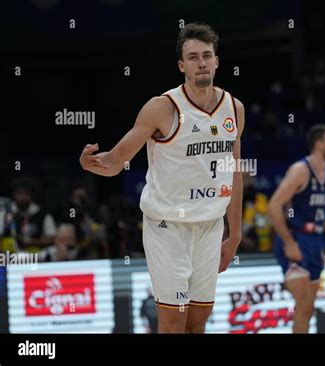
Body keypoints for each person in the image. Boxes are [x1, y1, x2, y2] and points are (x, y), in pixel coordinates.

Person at [79, 23, 244, 333]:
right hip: (168, 227)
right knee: (172, 323)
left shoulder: (235, 109)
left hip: (210, 227)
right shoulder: (162, 108)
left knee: (198, 322)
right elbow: (117, 161)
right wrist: (92, 164)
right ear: (182, 65)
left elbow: (234, 172)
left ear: (217, 61)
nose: (201, 63)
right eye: (193, 57)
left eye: (207, 55)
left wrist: (234, 233)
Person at [268, 124, 325, 333]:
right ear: (319, 144)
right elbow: (273, 206)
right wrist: (289, 243)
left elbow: (322, 213)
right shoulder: (300, 170)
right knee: (304, 303)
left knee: (308, 309)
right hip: (295, 239)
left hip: (315, 242)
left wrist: (322, 244)